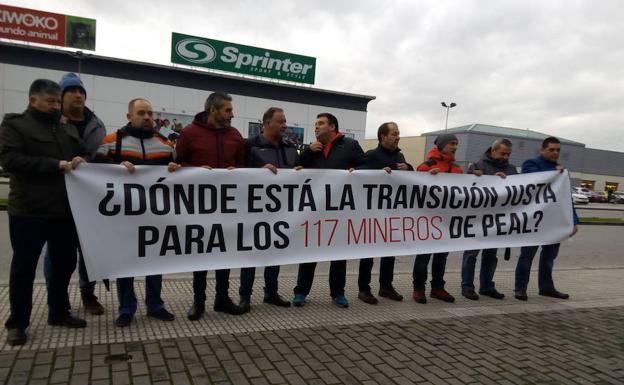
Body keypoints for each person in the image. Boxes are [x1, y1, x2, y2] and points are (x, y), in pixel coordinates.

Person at [0, 79, 88, 346]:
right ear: (33, 100)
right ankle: (17, 323)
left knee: (64, 266)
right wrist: (56, 164)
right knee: (23, 269)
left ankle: (59, 312)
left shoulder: (64, 128)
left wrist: (79, 160)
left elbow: (79, 153)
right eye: (49, 101)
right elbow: (10, 160)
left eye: (55, 101)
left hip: (63, 211)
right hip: (29, 210)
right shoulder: (15, 125)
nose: (54, 106)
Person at [95, 98, 177, 327]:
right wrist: (115, 169)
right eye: (141, 113)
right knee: (126, 263)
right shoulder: (113, 141)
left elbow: (179, 172)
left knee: (155, 262)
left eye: (150, 113)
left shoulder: (165, 144)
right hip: (125, 217)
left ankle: (155, 305)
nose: (147, 117)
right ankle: (126, 308)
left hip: (155, 216)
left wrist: (175, 169)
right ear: (129, 116)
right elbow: (94, 168)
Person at [41, 72, 107, 316]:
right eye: (72, 91)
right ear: (61, 96)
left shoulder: (96, 124)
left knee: (88, 250)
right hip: (57, 199)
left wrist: (88, 161)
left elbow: (102, 156)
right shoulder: (49, 122)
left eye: (81, 92)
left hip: (89, 199)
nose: (78, 95)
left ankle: (88, 294)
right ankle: (55, 295)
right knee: (56, 253)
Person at [176, 92, 246, 320]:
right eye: (227, 110)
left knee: (224, 254)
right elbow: (178, 164)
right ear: (213, 110)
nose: (232, 114)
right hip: (199, 206)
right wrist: (195, 170)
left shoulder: (235, 134)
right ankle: (199, 302)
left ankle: (222, 299)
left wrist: (238, 171)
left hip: (227, 205)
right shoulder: (188, 134)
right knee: (202, 254)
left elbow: (243, 166)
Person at [293, 112, 366, 308]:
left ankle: (338, 293)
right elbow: (294, 169)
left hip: (340, 211)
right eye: (316, 124)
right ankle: (300, 291)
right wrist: (307, 152)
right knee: (309, 252)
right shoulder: (312, 149)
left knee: (338, 254)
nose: (316, 127)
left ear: (332, 127)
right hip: (315, 210)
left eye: (320, 124)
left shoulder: (349, 145)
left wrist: (356, 172)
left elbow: (366, 165)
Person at [238, 107, 298, 313]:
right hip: (253, 210)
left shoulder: (290, 147)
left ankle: (270, 293)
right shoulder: (249, 145)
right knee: (251, 254)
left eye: (285, 121)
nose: (284, 125)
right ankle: (244, 296)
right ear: (266, 123)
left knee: (275, 253)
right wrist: (258, 173)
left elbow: (297, 171)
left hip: (280, 211)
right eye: (280, 122)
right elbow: (237, 173)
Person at [514, 137, 579, 301]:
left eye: (558, 150)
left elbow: (566, 197)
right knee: (527, 255)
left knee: (549, 256)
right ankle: (520, 288)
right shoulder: (531, 163)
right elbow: (528, 183)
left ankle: (546, 287)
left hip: (553, 221)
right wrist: (554, 175)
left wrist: (574, 221)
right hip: (534, 219)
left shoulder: (561, 172)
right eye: (552, 149)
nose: (555, 153)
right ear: (542, 150)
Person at [357, 122, 412, 304]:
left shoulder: (400, 156)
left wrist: (409, 169)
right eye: (394, 133)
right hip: (372, 213)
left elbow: (410, 180)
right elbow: (357, 173)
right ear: (383, 137)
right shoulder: (371, 155)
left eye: (398, 133)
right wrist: (377, 173)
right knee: (368, 253)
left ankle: (386, 287)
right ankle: (364, 289)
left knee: (390, 251)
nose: (397, 137)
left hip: (392, 212)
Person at [461, 138, 517, 300]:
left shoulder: (511, 169)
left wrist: (506, 180)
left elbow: (519, 191)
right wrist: (484, 178)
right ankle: (467, 286)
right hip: (477, 220)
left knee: (491, 255)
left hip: (497, 220)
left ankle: (486, 286)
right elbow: (464, 188)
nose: (506, 157)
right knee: (471, 254)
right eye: (503, 153)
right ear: (493, 151)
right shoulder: (478, 166)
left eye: (508, 154)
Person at [413, 133, 463, 304]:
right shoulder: (425, 167)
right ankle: (419, 289)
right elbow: (414, 188)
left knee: (441, 257)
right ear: (441, 145)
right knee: (423, 257)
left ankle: (437, 288)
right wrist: (427, 178)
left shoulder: (457, 169)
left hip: (446, 220)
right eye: (451, 143)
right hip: (426, 220)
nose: (455, 146)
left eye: (456, 143)